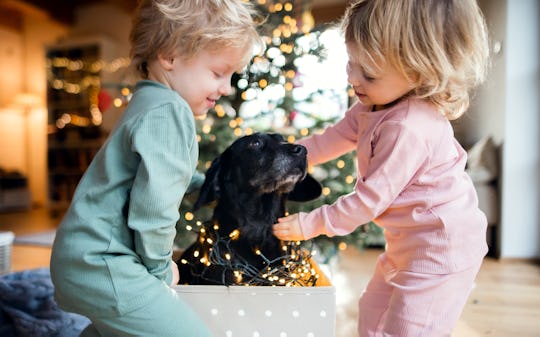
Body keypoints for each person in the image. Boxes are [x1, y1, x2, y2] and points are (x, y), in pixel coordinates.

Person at [273, 0, 490, 336]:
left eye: (369, 73)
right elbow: (334, 138)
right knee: (372, 309)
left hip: (440, 249)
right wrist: (289, 160)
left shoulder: (408, 128)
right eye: (351, 64)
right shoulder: (373, 103)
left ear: (420, 70)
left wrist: (309, 224)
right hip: (408, 241)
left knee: (408, 329)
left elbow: (367, 201)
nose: (354, 79)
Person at [50, 1, 261, 336]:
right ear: (170, 56)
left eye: (231, 76)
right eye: (218, 73)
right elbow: (154, 210)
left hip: (84, 259)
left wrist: (205, 185)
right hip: (107, 264)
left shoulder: (148, 101)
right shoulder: (169, 112)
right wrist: (161, 271)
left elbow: (154, 177)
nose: (226, 88)